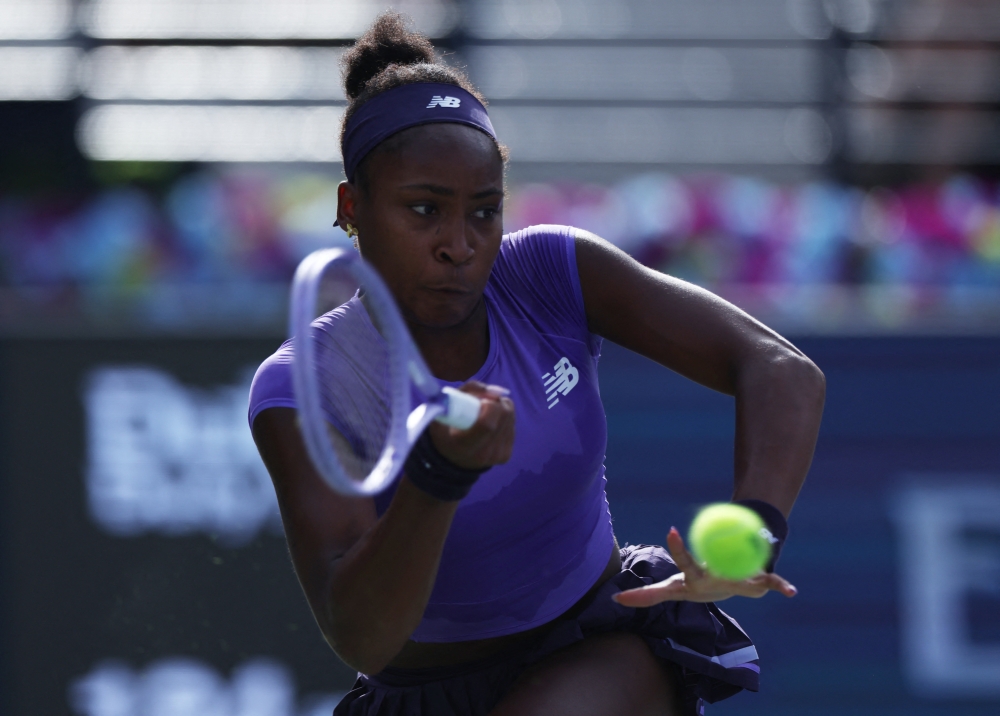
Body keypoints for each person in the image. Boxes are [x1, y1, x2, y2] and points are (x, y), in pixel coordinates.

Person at [249, 12, 825, 716]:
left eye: (484, 212)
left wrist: (756, 530)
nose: (459, 246)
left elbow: (780, 369)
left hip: (601, 651)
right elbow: (359, 635)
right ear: (352, 208)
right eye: (424, 210)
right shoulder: (302, 386)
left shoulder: (552, 270)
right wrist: (439, 475)